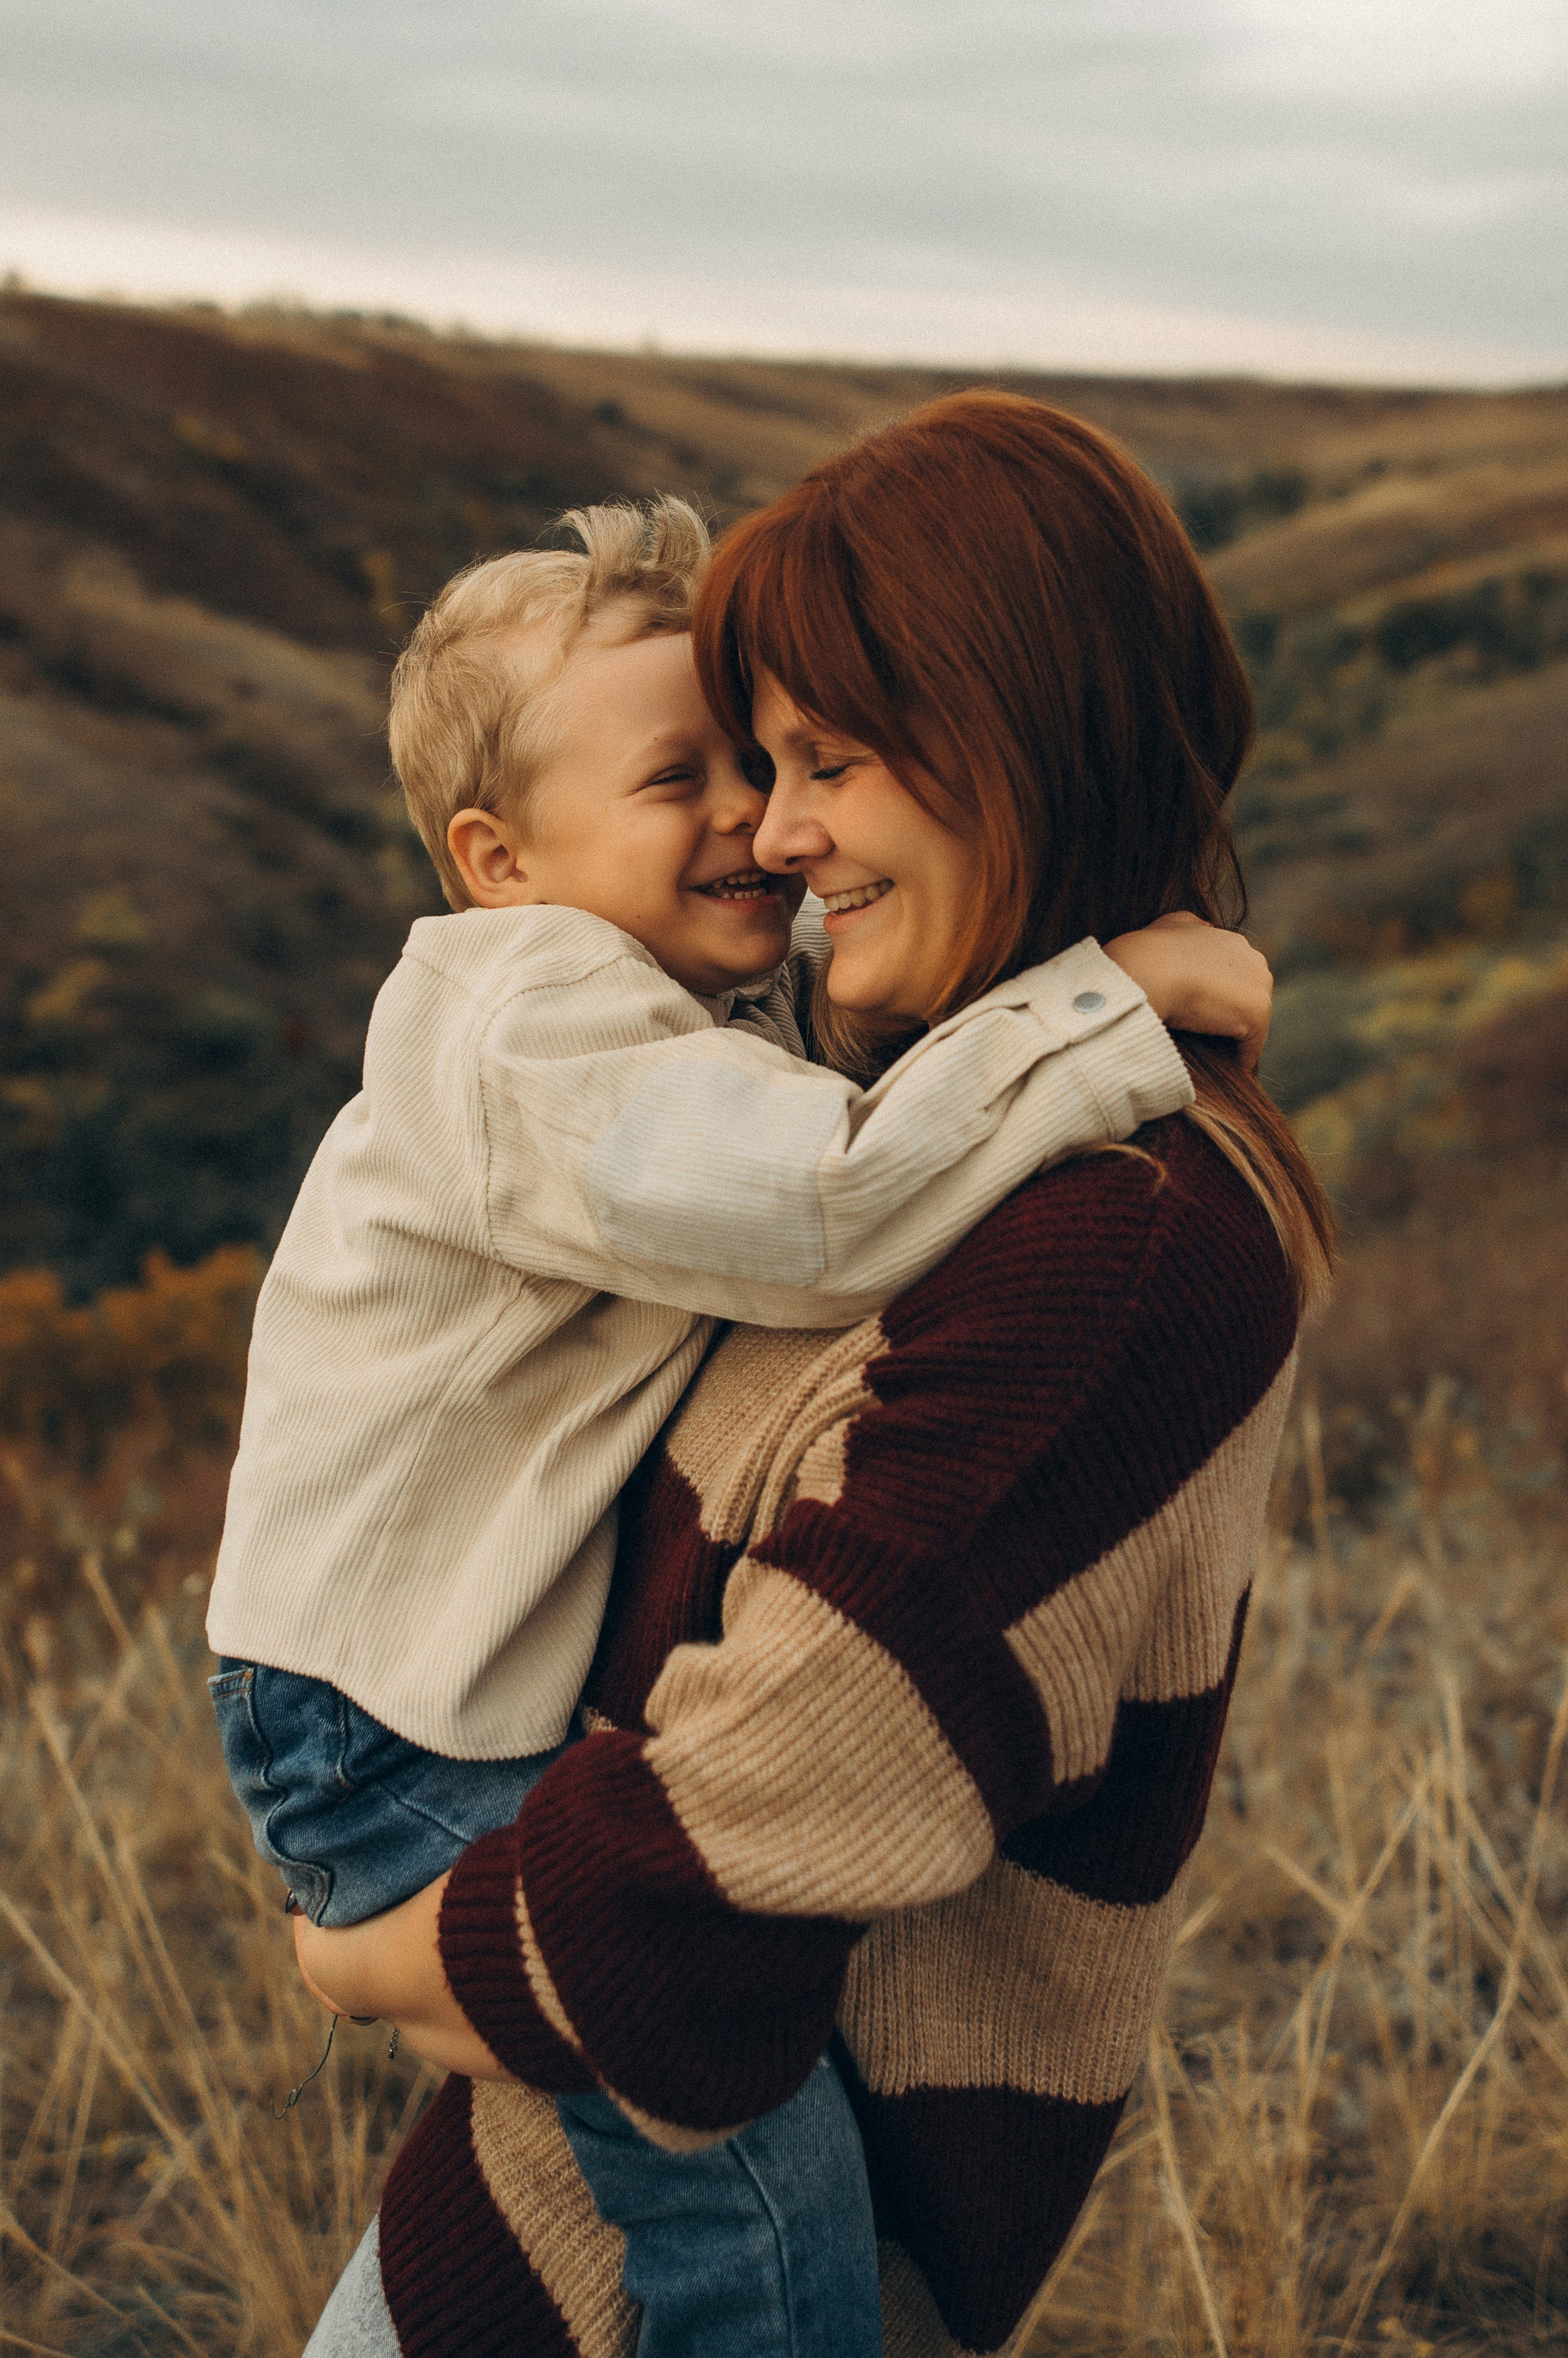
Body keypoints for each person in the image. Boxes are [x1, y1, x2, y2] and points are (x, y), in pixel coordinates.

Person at [208, 491, 1271, 2357]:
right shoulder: (533, 1018)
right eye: (685, 774)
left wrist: (403, 1962)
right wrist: (1101, 1008)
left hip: (465, 1737)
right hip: (385, 1714)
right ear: (497, 861)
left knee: (706, 2132)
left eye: (795, 761)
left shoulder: (1105, 1243)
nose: (757, 825)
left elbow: (771, 1799)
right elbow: (835, 1206)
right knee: (736, 2168)